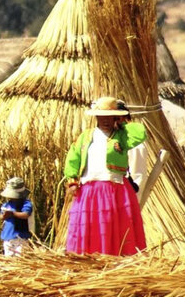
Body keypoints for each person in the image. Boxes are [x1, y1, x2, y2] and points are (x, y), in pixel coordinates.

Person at [63, 96, 148, 255]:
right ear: (96, 117)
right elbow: (73, 158)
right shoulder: (86, 136)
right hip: (90, 190)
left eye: (109, 116)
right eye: (101, 116)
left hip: (114, 188)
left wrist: (122, 122)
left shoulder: (122, 136)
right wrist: (73, 181)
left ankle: (113, 258)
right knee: (92, 225)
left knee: (112, 225)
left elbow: (140, 133)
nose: (105, 120)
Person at [0, 177, 33, 256]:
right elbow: (1, 215)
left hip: (21, 238)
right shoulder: (6, 205)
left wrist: (13, 214)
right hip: (8, 237)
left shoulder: (26, 204)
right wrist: (4, 216)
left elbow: (26, 214)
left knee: (20, 257)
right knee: (9, 258)